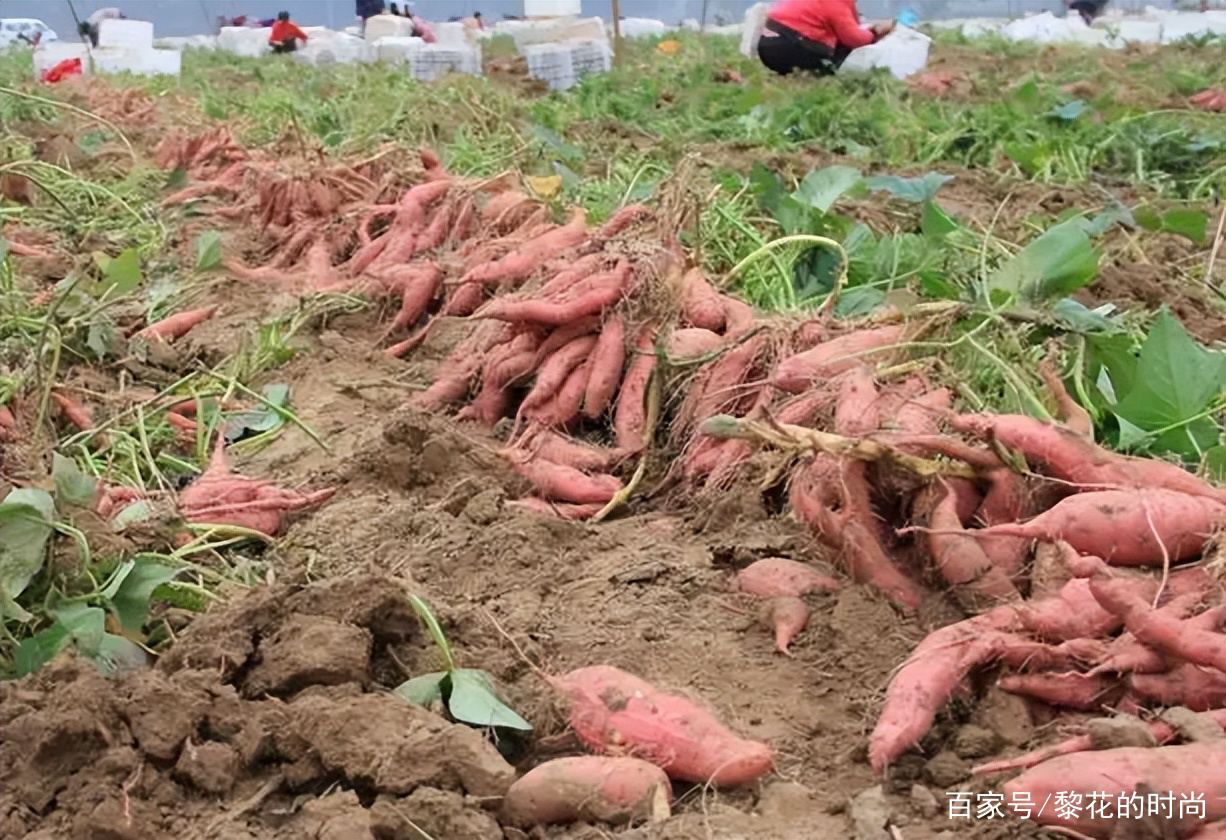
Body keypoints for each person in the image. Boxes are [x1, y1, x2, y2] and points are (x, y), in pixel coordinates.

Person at [756, 0, 894, 77]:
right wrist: (875, 32)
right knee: (843, 52)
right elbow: (855, 39)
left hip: (766, 46)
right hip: (791, 46)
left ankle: (787, 74)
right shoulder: (837, 2)